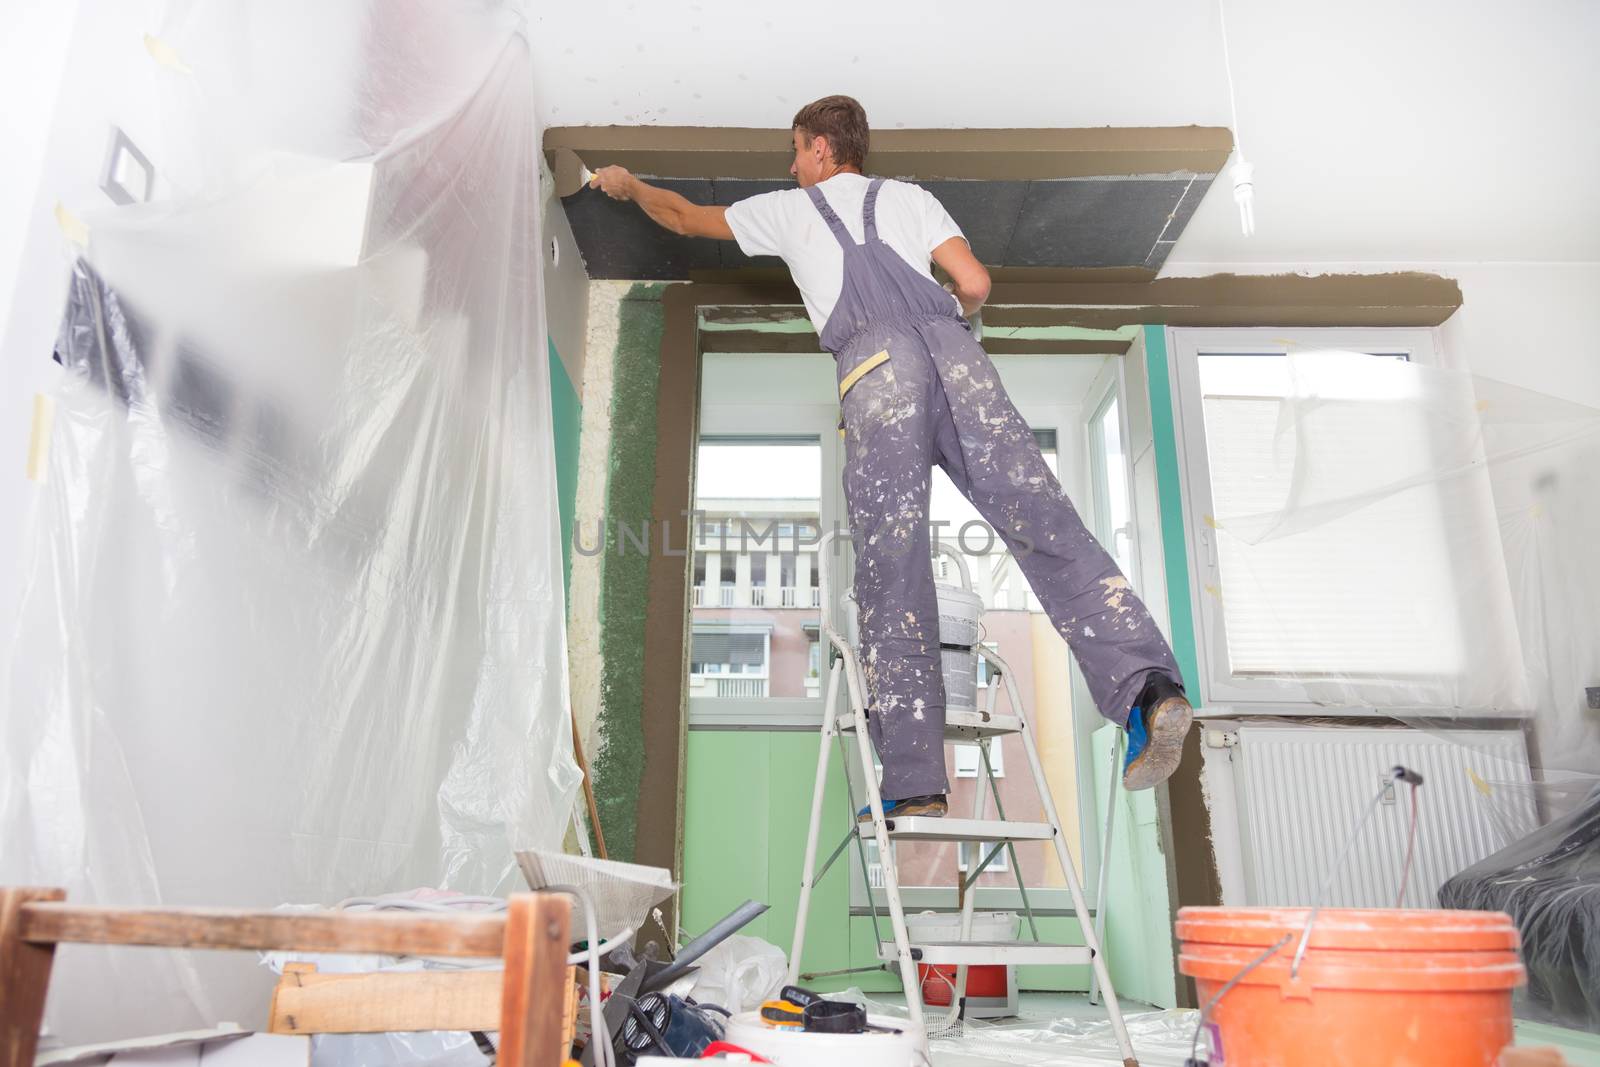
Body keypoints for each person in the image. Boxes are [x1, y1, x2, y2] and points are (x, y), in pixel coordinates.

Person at [589, 95, 1192, 812]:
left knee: (892, 566)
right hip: (960, 361)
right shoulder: (909, 199)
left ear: (819, 149)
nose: (790, 163)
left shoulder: (789, 209)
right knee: (1047, 526)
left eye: (794, 148)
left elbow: (686, 217)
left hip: (877, 376)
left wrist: (628, 187)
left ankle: (915, 783)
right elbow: (974, 284)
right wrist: (944, 327)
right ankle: (1150, 690)